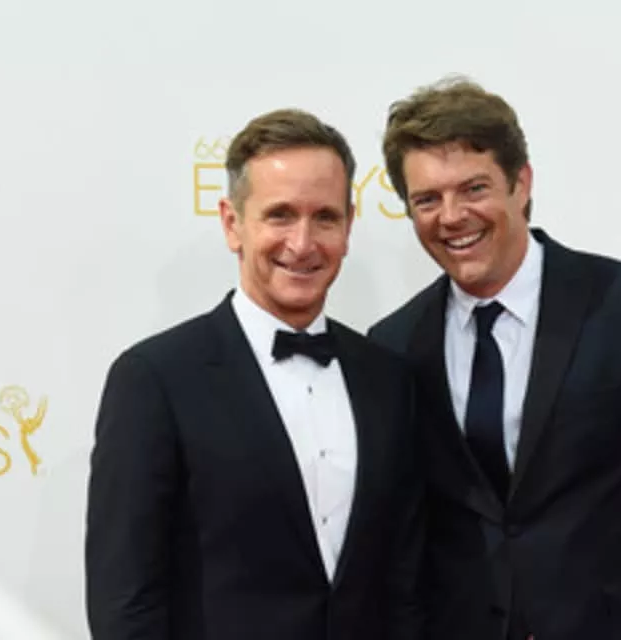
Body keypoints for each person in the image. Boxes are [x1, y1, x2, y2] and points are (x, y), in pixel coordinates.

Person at [368, 77, 621, 640]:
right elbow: (404, 545)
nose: (452, 216)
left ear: (521, 183)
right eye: (427, 200)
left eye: (474, 188)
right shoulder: (394, 343)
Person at [85, 108, 424, 640]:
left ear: (348, 226)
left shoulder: (388, 379)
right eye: (280, 215)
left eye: (325, 217)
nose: (303, 243)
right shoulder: (155, 380)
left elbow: (406, 583)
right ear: (232, 223)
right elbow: (125, 600)